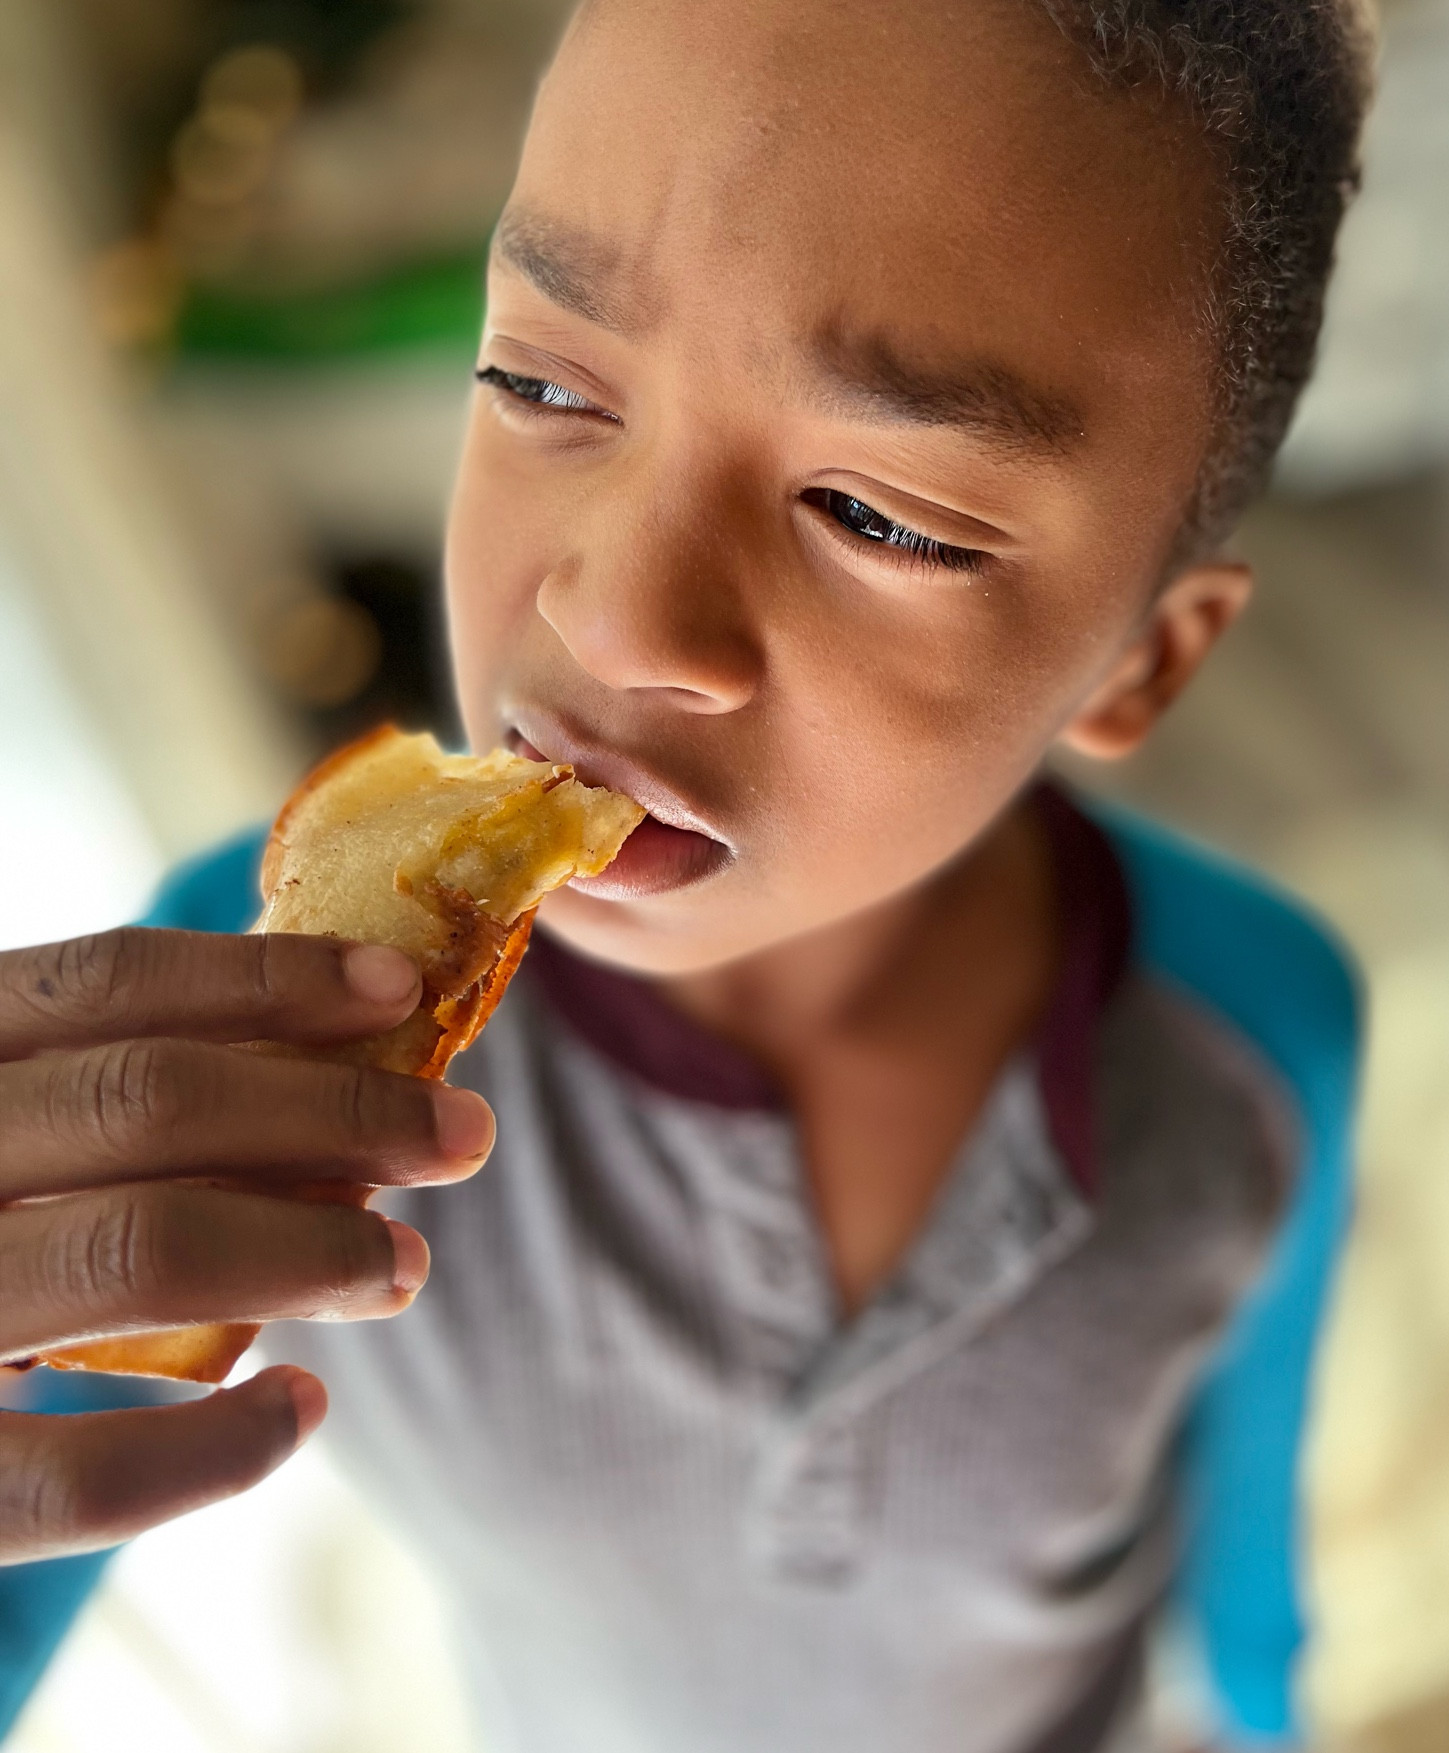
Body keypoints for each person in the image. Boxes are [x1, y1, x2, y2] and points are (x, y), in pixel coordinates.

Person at [0, 0, 1372, 1746]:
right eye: (539, 380)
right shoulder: (248, 1017)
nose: (612, 615)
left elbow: (1246, 1602)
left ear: (1141, 662)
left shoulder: (1255, 1039)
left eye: (883, 517)